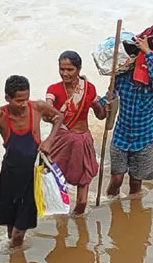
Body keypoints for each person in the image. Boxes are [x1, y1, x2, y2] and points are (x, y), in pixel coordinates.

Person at [0, 75, 63, 248]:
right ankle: (15, 258)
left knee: (18, 233)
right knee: (11, 231)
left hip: (32, 178)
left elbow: (58, 117)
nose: (24, 104)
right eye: (19, 100)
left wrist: (49, 140)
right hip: (9, 176)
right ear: (7, 98)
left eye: (26, 98)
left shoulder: (38, 107)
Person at [99, 33, 153, 196]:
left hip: (144, 139)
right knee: (116, 179)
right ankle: (110, 204)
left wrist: (148, 53)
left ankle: (134, 212)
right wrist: (97, 102)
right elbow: (109, 97)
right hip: (121, 137)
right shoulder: (123, 79)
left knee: (136, 183)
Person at [46, 51, 108, 215]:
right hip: (61, 142)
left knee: (82, 202)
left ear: (78, 69)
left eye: (70, 69)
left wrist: (102, 105)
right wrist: (49, 112)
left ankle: (80, 230)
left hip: (82, 141)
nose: (65, 73)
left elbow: (101, 115)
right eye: (62, 69)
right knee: (58, 188)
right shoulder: (54, 90)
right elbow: (48, 110)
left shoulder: (88, 88)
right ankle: (62, 231)